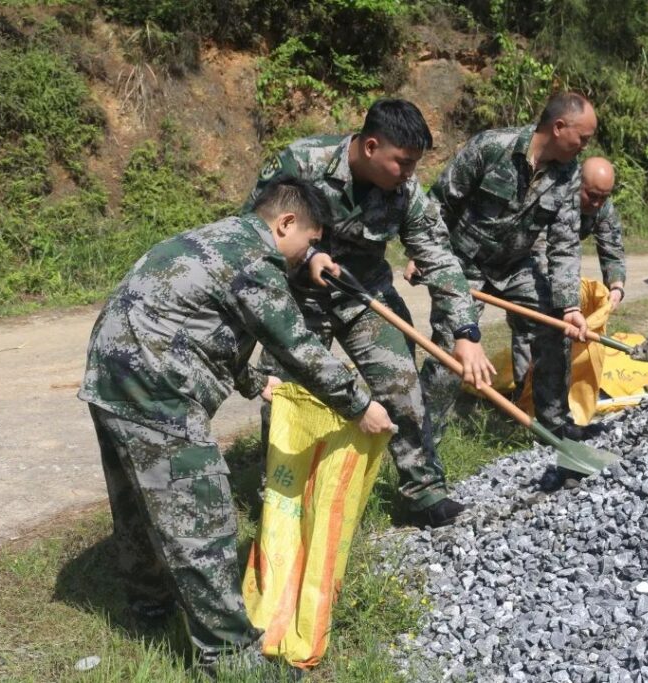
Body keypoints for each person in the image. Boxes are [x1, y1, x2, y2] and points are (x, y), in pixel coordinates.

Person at [77, 177, 393, 673]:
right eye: (309, 241)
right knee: (202, 516)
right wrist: (360, 405)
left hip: (111, 373)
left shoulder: (220, 237)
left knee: (138, 500)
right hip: (157, 389)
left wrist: (253, 380)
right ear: (285, 223)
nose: (305, 254)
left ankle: (150, 605)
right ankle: (228, 655)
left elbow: (199, 321)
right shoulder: (256, 259)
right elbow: (298, 346)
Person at [244, 98, 495, 528]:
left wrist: (466, 332)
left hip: (365, 297)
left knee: (402, 388)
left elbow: (438, 258)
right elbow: (254, 231)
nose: (410, 174)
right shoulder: (300, 162)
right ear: (372, 146)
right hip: (297, 298)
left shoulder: (405, 192)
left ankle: (425, 493)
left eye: (416, 164)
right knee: (289, 397)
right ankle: (283, 497)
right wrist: (305, 260)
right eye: (403, 162)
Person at [414, 91, 596, 441]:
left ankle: (554, 422)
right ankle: (423, 437)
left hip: (516, 265)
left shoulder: (568, 173)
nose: (584, 146)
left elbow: (564, 243)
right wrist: (423, 255)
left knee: (555, 325)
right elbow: (439, 202)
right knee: (452, 346)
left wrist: (570, 305)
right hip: (463, 265)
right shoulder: (492, 146)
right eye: (583, 137)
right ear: (559, 127)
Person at [509, 155, 627, 388]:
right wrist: (561, 299)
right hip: (526, 259)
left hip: (559, 259)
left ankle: (555, 391)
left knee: (561, 328)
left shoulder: (602, 206)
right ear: (578, 183)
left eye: (603, 197)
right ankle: (524, 392)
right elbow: (540, 251)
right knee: (529, 321)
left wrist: (616, 286)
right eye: (591, 195)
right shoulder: (554, 194)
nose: (596, 203)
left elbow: (611, 246)